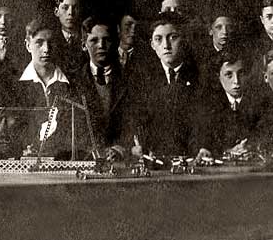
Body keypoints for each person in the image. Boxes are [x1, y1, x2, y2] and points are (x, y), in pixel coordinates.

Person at [116, 11, 202, 159]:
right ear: (152, 45)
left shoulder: (199, 76)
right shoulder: (142, 79)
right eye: (159, 39)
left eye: (173, 38)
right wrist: (133, 147)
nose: (166, 45)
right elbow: (132, 122)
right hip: (155, 159)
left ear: (184, 40)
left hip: (192, 158)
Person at [14, 14, 99, 160]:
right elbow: (13, 133)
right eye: (39, 43)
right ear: (28, 45)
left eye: (51, 43)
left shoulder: (75, 84)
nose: (46, 49)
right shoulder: (16, 86)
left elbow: (83, 131)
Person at [195, 51, 258, 159]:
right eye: (229, 75)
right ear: (218, 77)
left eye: (241, 73)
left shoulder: (260, 101)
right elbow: (200, 138)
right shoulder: (208, 104)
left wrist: (251, 146)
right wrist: (205, 149)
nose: (236, 81)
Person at [78, 16, 125, 146]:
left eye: (107, 40)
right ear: (83, 45)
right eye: (94, 40)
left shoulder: (128, 80)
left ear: (115, 44)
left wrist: (120, 149)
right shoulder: (74, 82)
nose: (101, 46)